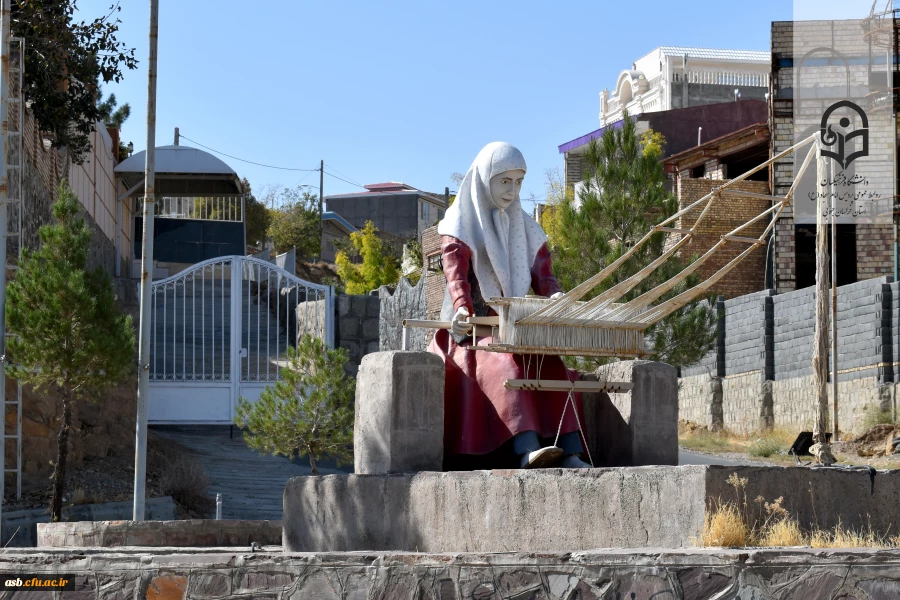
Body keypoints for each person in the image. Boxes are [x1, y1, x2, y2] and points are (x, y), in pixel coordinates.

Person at [428, 141, 591, 469]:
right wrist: (462, 309)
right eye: (505, 181)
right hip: (470, 333)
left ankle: (571, 451)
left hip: (512, 329)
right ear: (484, 179)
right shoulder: (459, 228)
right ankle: (526, 448)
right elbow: (456, 277)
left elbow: (544, 278)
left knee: (552, 364)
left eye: (518, 182)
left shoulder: (526, 230)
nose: (512, 190)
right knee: (504, 365)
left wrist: (555, 297)